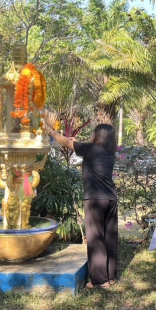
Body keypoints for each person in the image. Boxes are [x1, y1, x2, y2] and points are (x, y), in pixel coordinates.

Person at [44, 122, 119, 289]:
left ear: (98, 136)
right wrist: (76, 142)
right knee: (109, 237)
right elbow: (79, 146)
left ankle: (100, 280)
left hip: (95, 199)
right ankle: (111, 275)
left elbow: (67, 143)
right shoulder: (108, 152)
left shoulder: (92, 149)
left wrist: (51, 132)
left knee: (96, 238)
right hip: (110, 198)